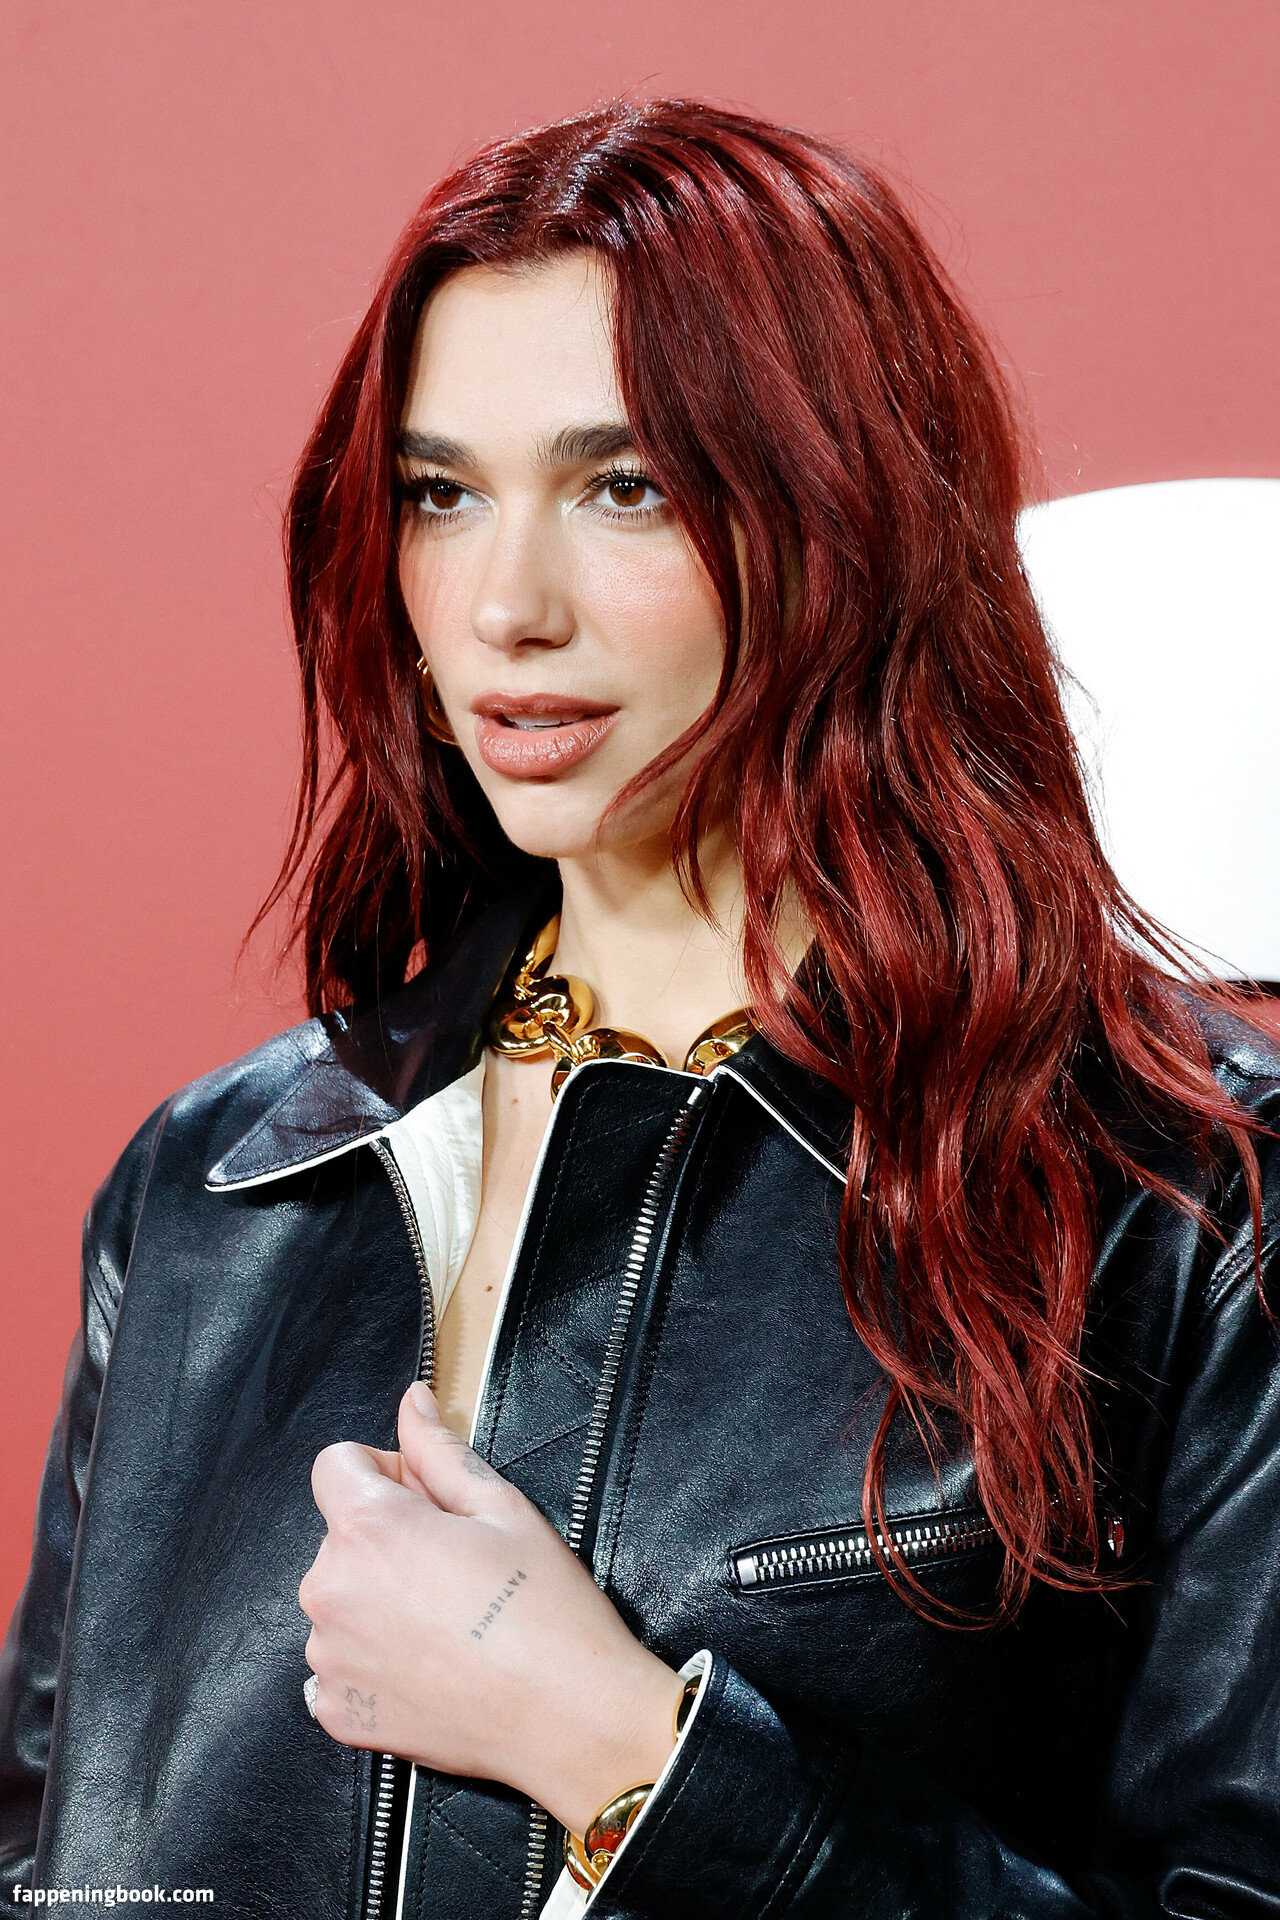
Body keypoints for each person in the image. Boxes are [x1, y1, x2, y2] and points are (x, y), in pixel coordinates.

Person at [2, 96, 1279, 1920]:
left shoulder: (1178, 1195)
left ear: (848, 520)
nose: (504, 607)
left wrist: (632, 1761)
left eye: (628, 489)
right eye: (442, 495)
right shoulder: (214, 1187)